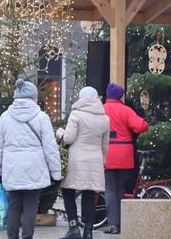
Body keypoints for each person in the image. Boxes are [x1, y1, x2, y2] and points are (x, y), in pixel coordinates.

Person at [0, 79, 61, 239]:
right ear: (34, 97)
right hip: (35, 168)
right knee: (31, 206)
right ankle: (28, 237)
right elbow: (50, 148)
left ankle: (12, 237)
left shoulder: (5, 117)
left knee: (14, 206)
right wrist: (56, 173)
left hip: (12, 168)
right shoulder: (42, 117)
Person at [56, 86, 110, 239]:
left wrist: (59, 133)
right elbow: (105, 145)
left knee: (68, 192)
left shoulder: (76, 115)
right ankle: (88, 232)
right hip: (95, 159)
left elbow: (68, 139)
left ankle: (73, 228)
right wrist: (103, 162)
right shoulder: (105, 118)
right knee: (89, 195)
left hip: (76, 159)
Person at [103, 83, 149, 234]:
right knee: (120, 188)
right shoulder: (126, 110)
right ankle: (122, 222)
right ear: (120, 96)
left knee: (109, 189)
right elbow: (141, 126)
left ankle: (113, 224)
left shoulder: (101, 110)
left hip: (106, 152)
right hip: (124, 153)